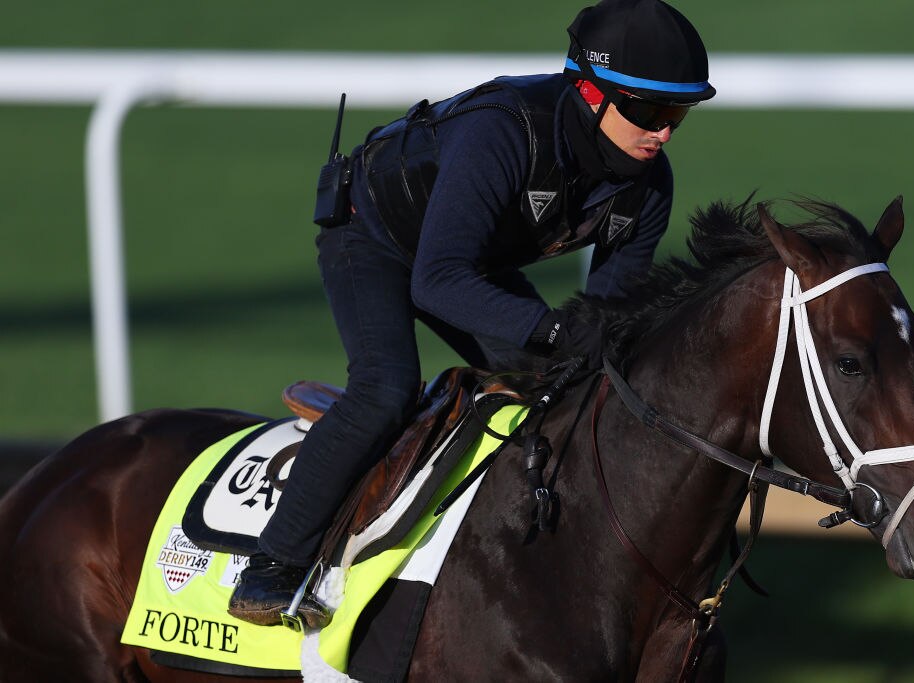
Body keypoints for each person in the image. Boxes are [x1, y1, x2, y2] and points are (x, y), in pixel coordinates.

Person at [228, 0, 716, 629]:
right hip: (373, 238)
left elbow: (606, 317)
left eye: (678, 114)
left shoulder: (650, 185)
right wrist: (555, 329)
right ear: (590, 93)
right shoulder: (503, 132)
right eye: (649, 112)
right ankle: (273, 564)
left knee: (566, 386)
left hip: (465, 258)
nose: (664, 133)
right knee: (385, 386)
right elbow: (436, 282)